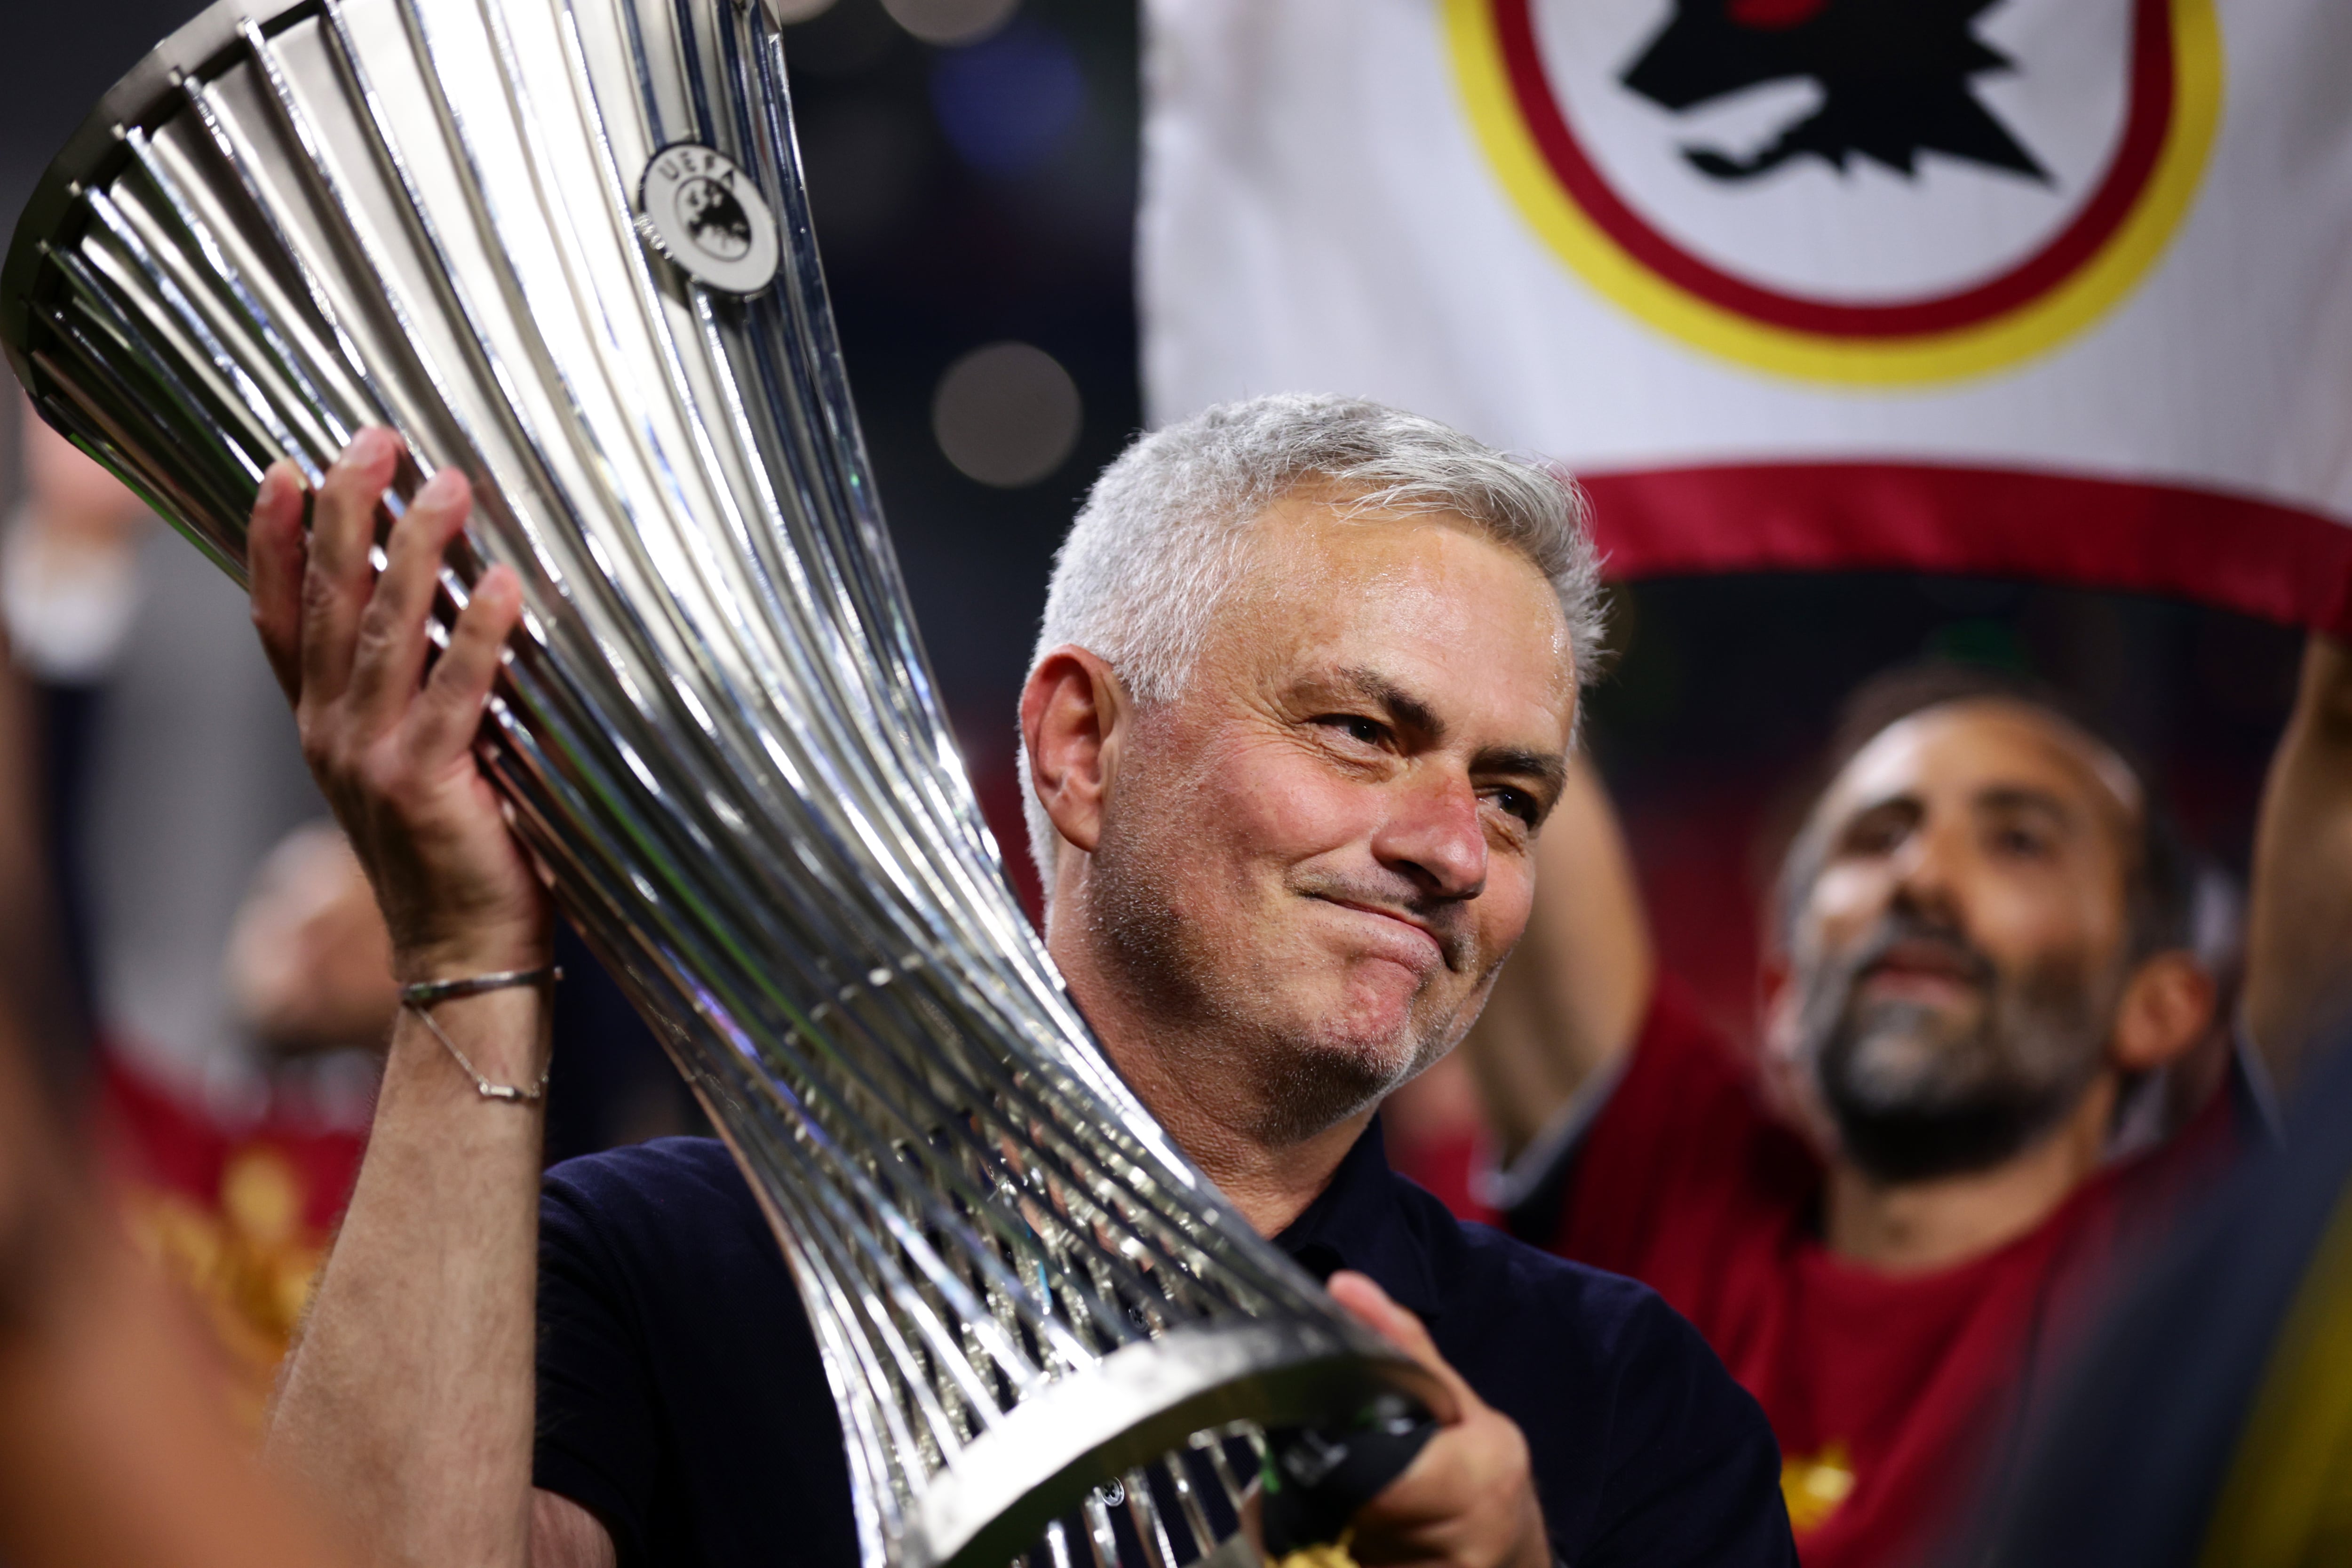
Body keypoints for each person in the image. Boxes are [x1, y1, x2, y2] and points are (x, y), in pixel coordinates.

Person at [252, 399, 1796, 1568]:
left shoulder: (1621, 1401)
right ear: (1080, 749)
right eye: (1360, 731)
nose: (1455, 846)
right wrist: (464, 950)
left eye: (1514, 794)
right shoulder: (660, 1266)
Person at [1460, 651, 2352, 1568]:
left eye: (2019, 840)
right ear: (1785, 992)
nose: (1921, 875)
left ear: (2158, 1004)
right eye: (1875, 836)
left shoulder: (2192, 1260)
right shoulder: (1673, 1192)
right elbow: (1485, 712)